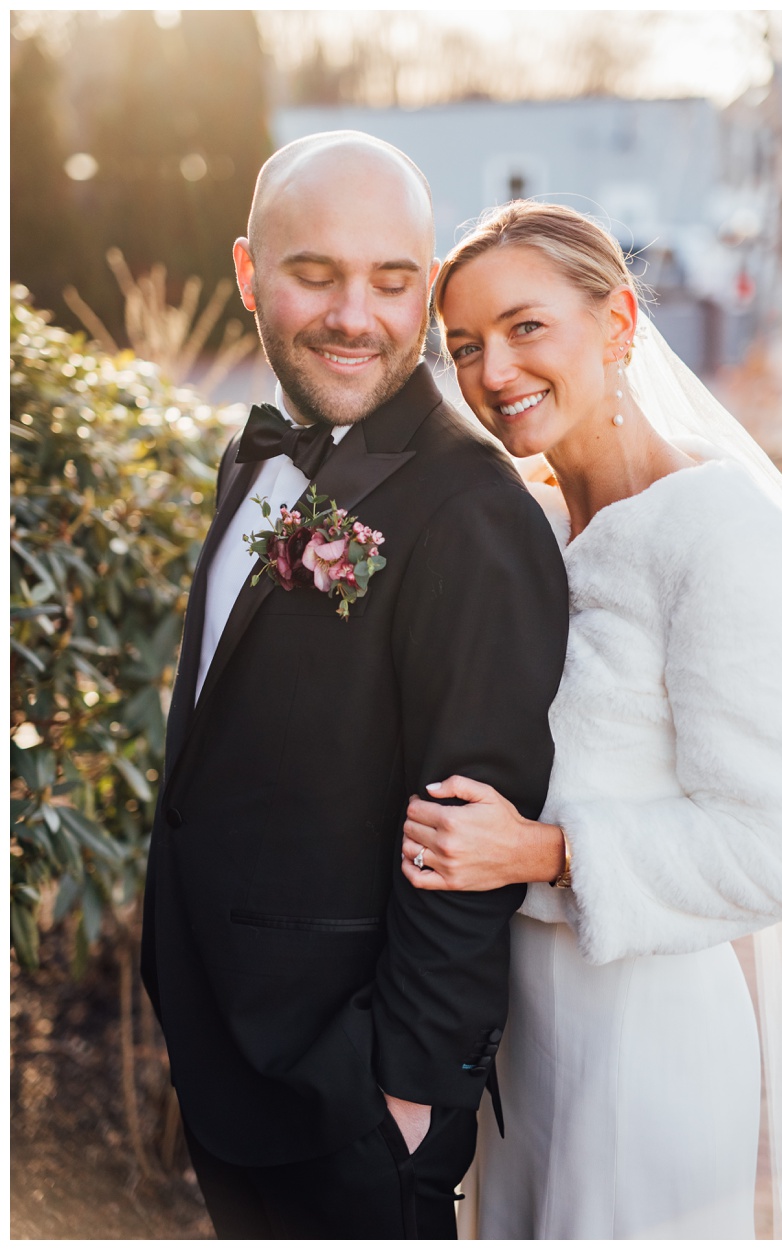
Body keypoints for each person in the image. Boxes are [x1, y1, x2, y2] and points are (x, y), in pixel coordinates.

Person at [138, 132, 571, 1239]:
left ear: (425, 289)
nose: (354, 315)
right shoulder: (263, 459)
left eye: (390, 280)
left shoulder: (473, 512)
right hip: (232, 1053)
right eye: (313, 273)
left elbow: (472, 827)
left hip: (355, 1101)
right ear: (249, 274)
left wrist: (409, 1098)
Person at [397, 200, 782, 1237]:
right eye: (464, 346)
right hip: (519, 1038)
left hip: (648, 1044)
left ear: (620, 322)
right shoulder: (535, 529)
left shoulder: (714, 530)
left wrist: (542, 850)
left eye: (525, 326)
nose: (493, 369)